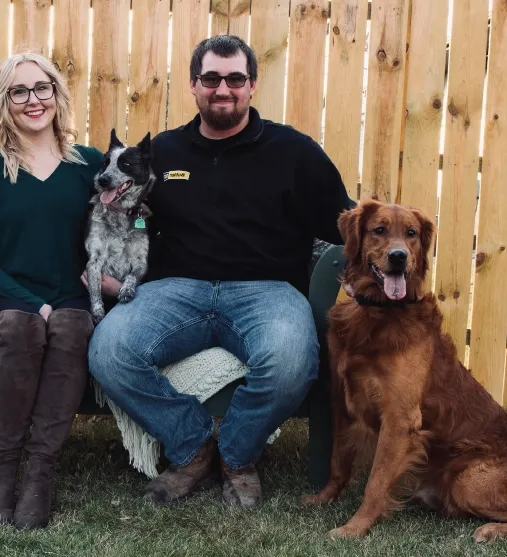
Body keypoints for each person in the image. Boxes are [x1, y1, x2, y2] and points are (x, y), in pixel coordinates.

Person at [88, 35, 354, 508]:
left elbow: (346, 224)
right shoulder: (163, 154)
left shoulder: (294, 152)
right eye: (211, 78)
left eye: (235, 79)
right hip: (176, 290)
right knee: (108, 351)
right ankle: (192, 448)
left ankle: (236, 455)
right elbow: (124, 216)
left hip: (267, 292)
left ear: (252, 85)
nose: (223, 89)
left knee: (292, 359)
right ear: (193, 85)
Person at [0, 52, 105, 529]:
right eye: (19, 91)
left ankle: (40, 472)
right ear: (5, 101)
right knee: (22, 327)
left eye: (41, 88)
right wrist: (31, 303)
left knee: (70, 324)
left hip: (69, 299)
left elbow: (128, 226)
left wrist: (114, 281)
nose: (33, 100)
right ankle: (1, 470)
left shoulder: (90, 166)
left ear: (56, 94)